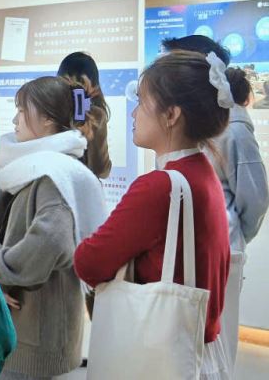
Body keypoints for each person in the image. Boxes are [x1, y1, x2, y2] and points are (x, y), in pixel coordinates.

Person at [75, 50, 234, 379]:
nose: (134, 113)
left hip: (162, 355)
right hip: (198, 350)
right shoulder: (203, 172)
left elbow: (88, 262)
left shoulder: (160, 187)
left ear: (171, 114)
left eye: (142, 102)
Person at [0, 76, 107, 379]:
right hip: (26, 327)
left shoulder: (52, 172)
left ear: (48, 119)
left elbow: (52, 240)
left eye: (22, 110)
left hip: (36, 333)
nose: (15, 120)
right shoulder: (34, 168)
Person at [161, 35, 266, 371]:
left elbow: (255, 199)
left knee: (217, 346)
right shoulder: (182, 124)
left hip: (222, 252)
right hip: (189, 248)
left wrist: (229, 234)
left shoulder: (233, 129)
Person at [210, 67, 268, 371]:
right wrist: (240, 233)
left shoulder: (212, 127)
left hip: (215, 243)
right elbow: (255, 198)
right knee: (222, 333)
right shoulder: (237, 131)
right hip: (227, 246)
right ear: (245, 97)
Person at [57, 51, 111, 178]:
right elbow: (101, 169)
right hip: (83, 186)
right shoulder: (96, 115)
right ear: (94, 83)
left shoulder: (49, 107)